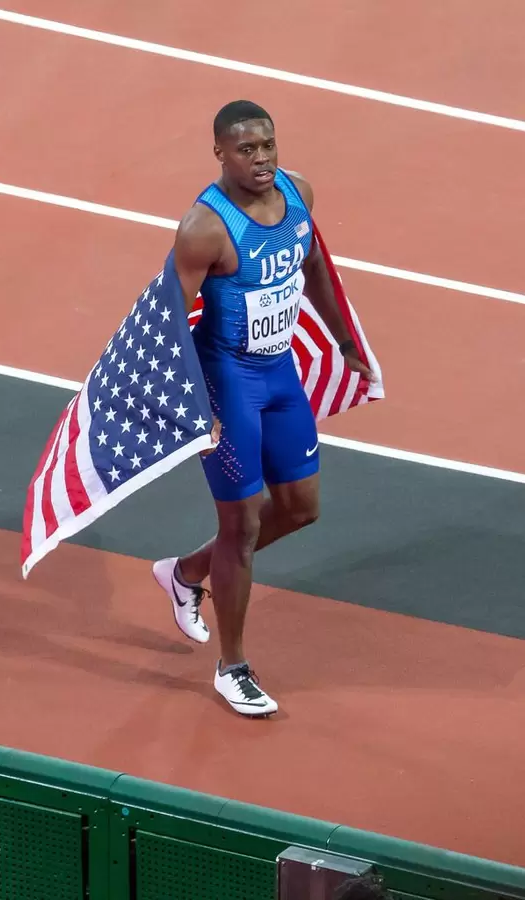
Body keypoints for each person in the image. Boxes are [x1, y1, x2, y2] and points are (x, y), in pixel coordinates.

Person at [153, 99, 375, 717]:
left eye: (268, 146)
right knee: (242, 527)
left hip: (279, 376)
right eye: (246, 149)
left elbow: (316, 267)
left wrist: (345, 341)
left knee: (301, 508)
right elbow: (171, 323)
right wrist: (197, 405)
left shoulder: (298, 194)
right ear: (220, 153)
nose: (261, 160)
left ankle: (185, 572)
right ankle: (233, 668)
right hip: (229, 385)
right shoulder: (204, 228)